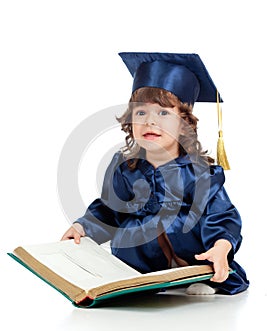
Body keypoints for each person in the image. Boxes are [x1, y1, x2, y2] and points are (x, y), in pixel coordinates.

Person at [61, 52, 249, 295]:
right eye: (141, 113)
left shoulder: (199, 172)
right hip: (140, 265)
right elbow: (110, 210)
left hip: (192, 257)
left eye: (163, 113)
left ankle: (196, 275)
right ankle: (137, 280)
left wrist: (222, 247)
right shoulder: (124, 167)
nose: (150, 121)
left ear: (185, 123)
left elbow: (222, 216)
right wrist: (82, 227)